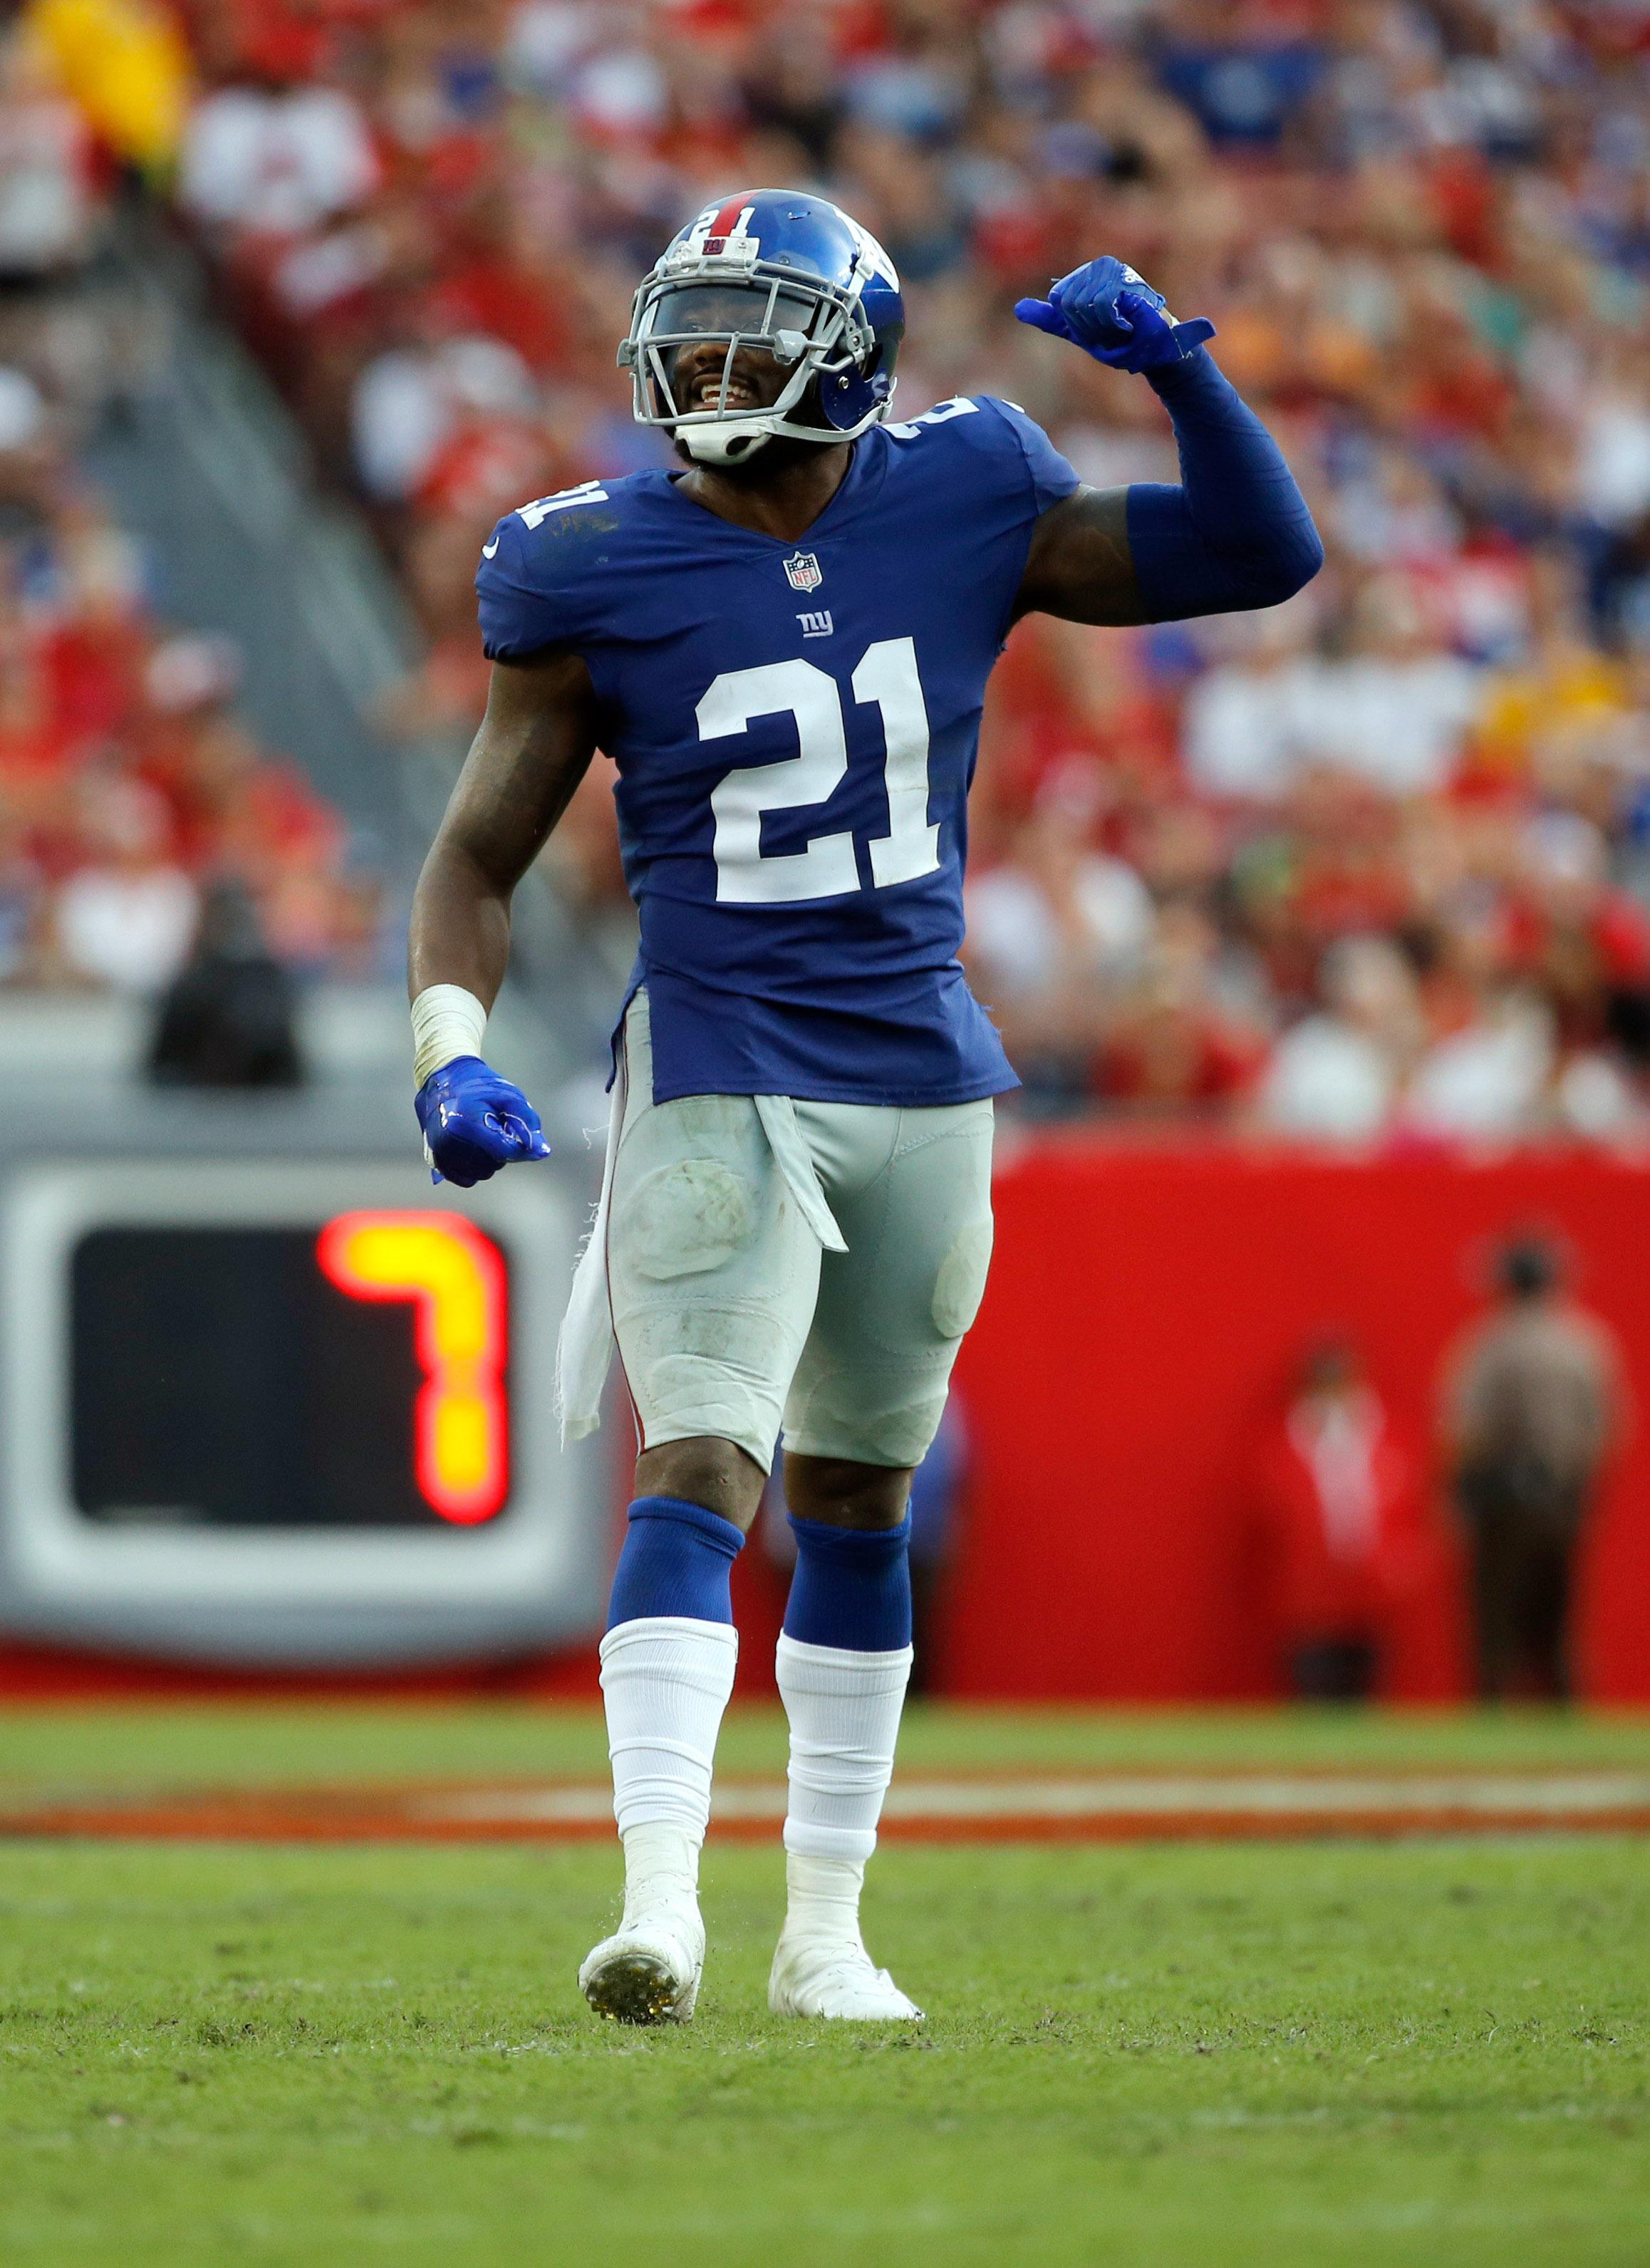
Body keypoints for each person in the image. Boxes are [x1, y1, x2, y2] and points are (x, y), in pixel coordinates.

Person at [405, 192, 1322, 2024]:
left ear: (846, 350)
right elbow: (476, 854)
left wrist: (1181, 374)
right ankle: (654, 1905)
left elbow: (1259, 548)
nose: (706, 364)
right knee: (698, 1465)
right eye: (696, 326)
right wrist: (449, 1044)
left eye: (750, 330)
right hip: (721, 1054)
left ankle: (824, 1931)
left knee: (857, 1501)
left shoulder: (966, 486)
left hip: (919, 1065)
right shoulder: (583, 561)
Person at [1442, 1236, 1623, 1702]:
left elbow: (1468, 1428)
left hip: (1504, 1499)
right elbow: (1609, 1428)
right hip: (1565, 1498)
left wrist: (1456, 1493)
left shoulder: (1494, 1342)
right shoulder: (1585, 1342)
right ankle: (1567, 1714)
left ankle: (1493, 1712)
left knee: (1497, 1620)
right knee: (1558, 1621)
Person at [1248, 1337, 1419, 1702]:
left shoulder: (1380, 1438)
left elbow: (1403, 1504)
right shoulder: (1290, 1443)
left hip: (1371, 1595)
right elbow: (1277, 1510)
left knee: (1367, 1690)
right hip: (1310, 1600)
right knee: (1315, 1690)